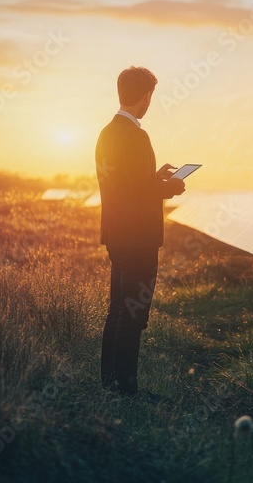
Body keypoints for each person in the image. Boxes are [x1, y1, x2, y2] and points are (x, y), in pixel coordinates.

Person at [96, 66, 185, 397]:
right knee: (133, 314)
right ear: (145, 96)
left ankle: (110, 381)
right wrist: (171, 186)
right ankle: (126, 388)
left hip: (117, 235)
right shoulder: (136, 135)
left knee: (118, 308)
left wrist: (154, 177)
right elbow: (139, 189)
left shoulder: (108, 132)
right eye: (152, 95)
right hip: (138, 238)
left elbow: (127, 182)